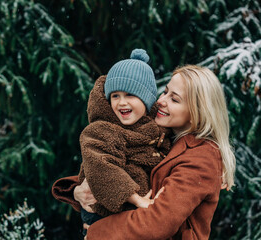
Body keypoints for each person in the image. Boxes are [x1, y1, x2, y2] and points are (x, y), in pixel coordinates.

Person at [52, 65, 236, 239]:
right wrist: (78, 190)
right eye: (165, 92)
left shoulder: (202, 157)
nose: (161, 101)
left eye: (174, 99)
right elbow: (117, 165)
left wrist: (97, 232)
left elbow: (159, 222)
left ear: (198, 111)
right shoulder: (164, 136)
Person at [75, 49, 171, 235]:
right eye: (115, 96)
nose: (121, 102)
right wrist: (136, 199)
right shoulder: (102, 129)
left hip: (135, 219)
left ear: (147, 100)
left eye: (130, 95)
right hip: (105, 215)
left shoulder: (155, 130)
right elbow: (101, 166)